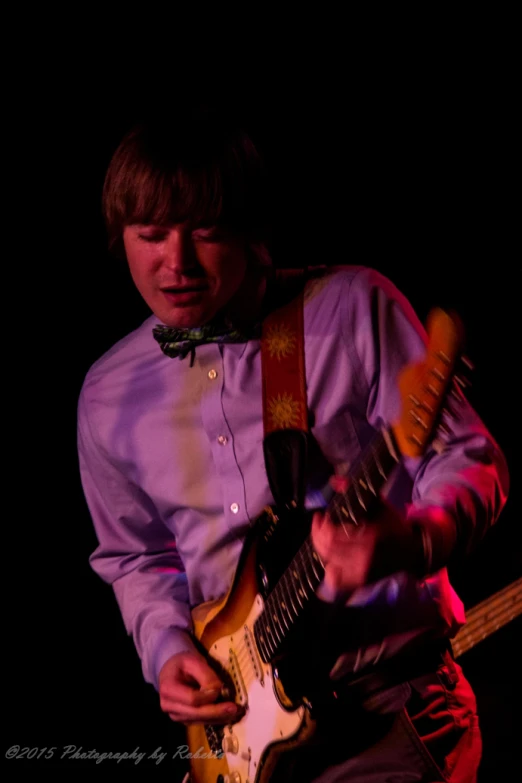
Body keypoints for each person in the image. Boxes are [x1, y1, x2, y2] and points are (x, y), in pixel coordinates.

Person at [77, 107, 509, 782]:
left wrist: (414, 539)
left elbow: (471, 461)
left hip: (388, 714)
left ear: (251, 230)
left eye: (206, 230)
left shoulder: (349, 308)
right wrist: (165, 648)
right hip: (242, 740)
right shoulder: (107, 395)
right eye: (150, 233)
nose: (176, 261)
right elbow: (136, 555)